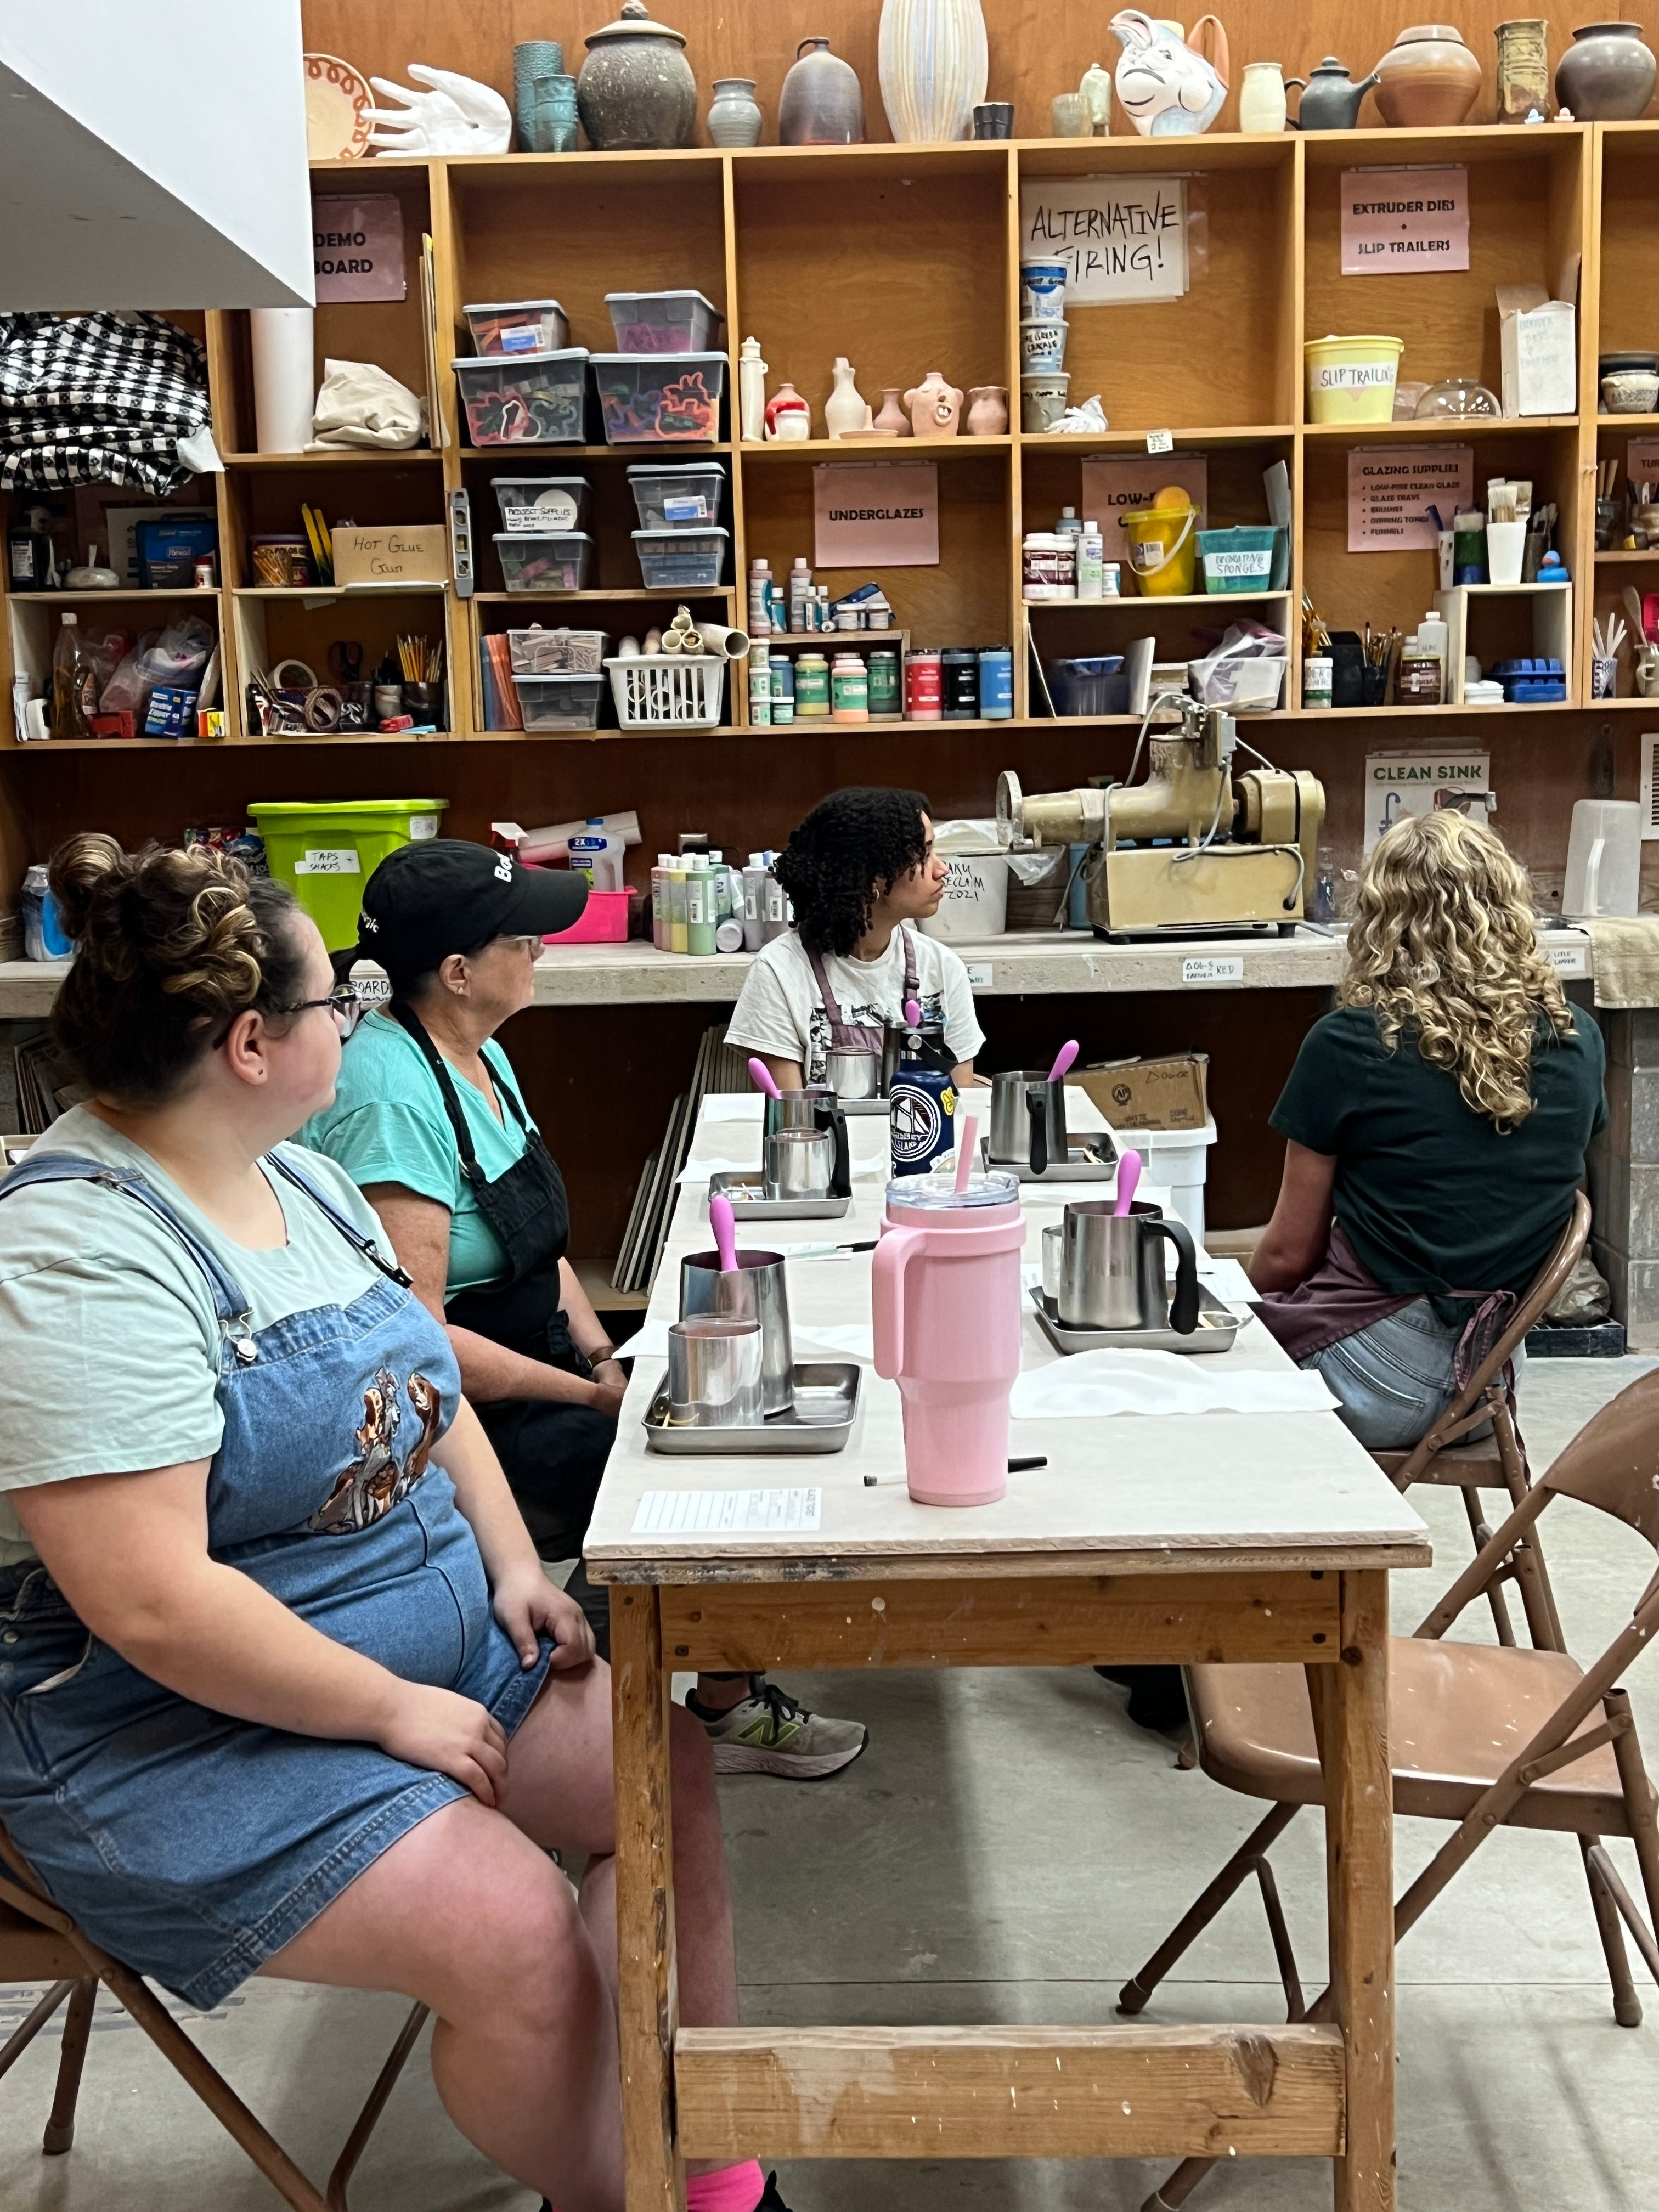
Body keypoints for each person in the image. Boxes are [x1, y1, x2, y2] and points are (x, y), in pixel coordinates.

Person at [0, 833, 794, 2212]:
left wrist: (513, 1566)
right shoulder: (80, 1257)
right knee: (510, 1927)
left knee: (660, 1773)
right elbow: (151, 1603)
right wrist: (387, 1710)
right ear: (252, 1043)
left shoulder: (299, 1177)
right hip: (179, 1722)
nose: (354, 1024)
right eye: (338, 1003)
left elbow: (425, 1394)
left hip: (418, 1640)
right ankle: (625, 2194)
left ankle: (709, 2170)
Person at [306, 839, 866, 1784]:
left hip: (545, 1363)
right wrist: (593, 1395)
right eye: (522, 938)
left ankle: (700, 1691)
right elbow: (416, 1342)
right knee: (696, 1479)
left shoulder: (480, 1054)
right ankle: (599, 1711)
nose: (541, 952)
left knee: (731, 1403)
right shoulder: (392, 1098)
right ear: (457, 972)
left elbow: (542, 1248)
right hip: (462, 1417)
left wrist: (609, 1355)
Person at [1250, 808, 1607, 1448]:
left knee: (1199, 1381)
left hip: (1366, 1378)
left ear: (1380, 917)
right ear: (1509, 909)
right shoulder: (1578, 1037)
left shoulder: (1353, 1043)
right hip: (1487, 1386)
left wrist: (1232, 1317)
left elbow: (1287, 1255)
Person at [725, 786, 984, 1093]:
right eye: (924, 853)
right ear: (872, 877)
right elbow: (789, 1113)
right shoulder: (779, 972)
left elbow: (959, 1104)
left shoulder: (942, 968)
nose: (942, 869)